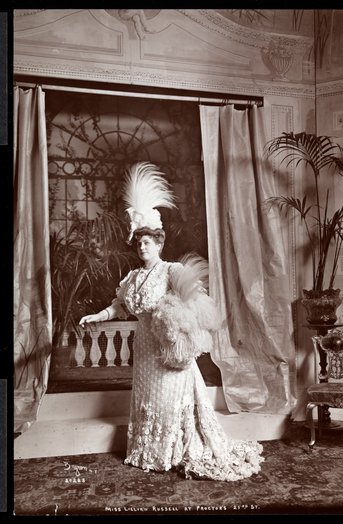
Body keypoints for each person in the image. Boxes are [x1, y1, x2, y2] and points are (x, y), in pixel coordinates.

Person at [79, 162, 264, 481]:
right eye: (139, 242)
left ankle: (175, 452)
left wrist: (178, 323)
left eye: (148, 242)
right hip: (145, 351)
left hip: (168, 351)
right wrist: (98, 315)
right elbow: (118, 307)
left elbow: (195, 302)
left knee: (169, 401)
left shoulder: (171, 271)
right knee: (149, 399)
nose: (142, 246)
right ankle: (148, 452)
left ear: (160, 243)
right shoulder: (132, 278)